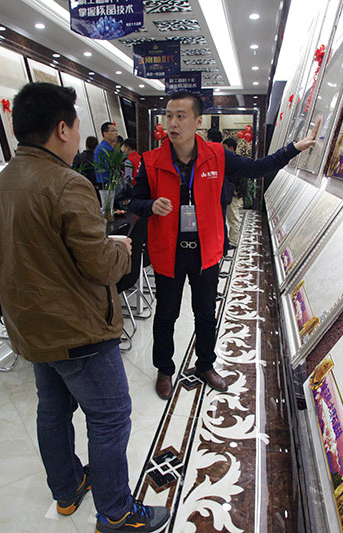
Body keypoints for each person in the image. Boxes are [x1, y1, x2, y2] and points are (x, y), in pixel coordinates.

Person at [0, 82, 169, 533]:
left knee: (52, 411)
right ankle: (116, 512)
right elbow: (101, 266)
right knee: (110, 416)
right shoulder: (68, 184)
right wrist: (121, 249)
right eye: (76, 123)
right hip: (77, 330)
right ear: (62, 129)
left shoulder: (2, 182)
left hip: (32, 327)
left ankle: (67, 490)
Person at [129, 91, 321, 400]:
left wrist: (293, 149)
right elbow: (134, 201)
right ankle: (164, 369)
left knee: (205, 313)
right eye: (169, 116)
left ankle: (206, 365)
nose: (172, 123)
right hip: (168, 253)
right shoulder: (151, 162)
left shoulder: (217, 155)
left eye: (180, 116)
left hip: (206, 252)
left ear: (198, 121)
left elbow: (257, 168)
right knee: (166, 316)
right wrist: (150, 205)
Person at [222, 137, 243, 248]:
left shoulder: (235, 161)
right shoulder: (231, 160)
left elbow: (241, 179)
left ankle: (234, 242)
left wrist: (237, 190)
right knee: (230, 218)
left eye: (225, 147)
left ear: (231, 148)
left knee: (233, 218)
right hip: (229, 193)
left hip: (234, 195)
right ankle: (230, 240)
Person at [94, 122, 119, 189]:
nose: (116, 133)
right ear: (105, 133)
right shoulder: (103, 149)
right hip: (105, 184)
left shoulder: (108, 147)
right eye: (113, 131)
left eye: (116, 131)